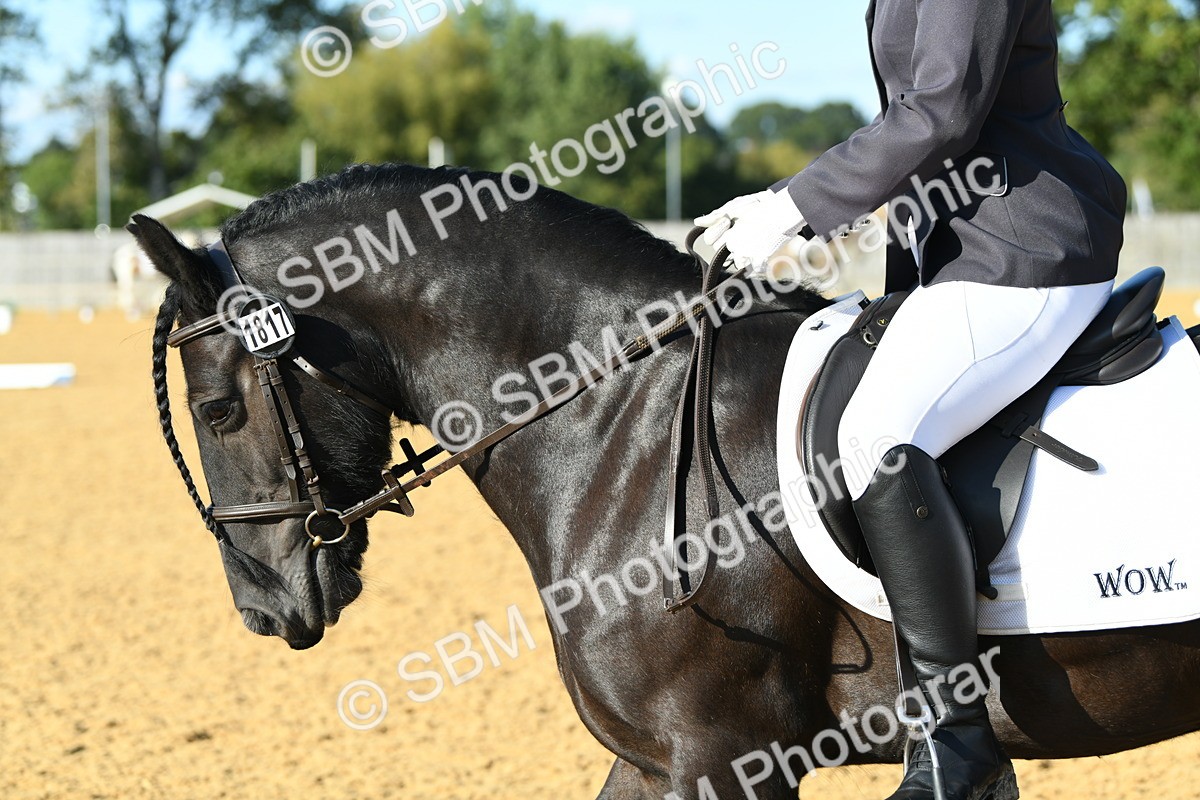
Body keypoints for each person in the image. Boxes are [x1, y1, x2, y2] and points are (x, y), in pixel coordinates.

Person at [695, 2, 1126, 799]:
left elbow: (943, 108)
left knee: (875, 433)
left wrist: (793, 209)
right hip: (964, 259)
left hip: (1025, 248)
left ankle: (957, 749)